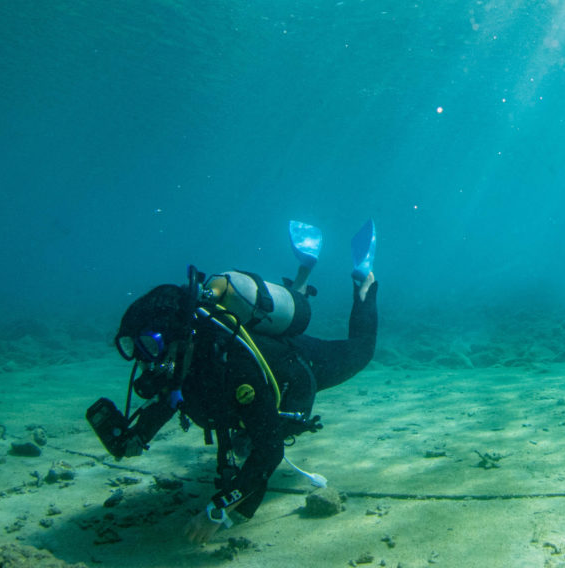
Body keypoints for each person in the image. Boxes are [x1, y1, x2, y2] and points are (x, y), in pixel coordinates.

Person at [86, 220, 377, 544]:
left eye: (151, 345)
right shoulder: (182, 360)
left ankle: (363, 281)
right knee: (243, 435)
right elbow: (171, 399)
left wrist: (218, 509)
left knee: (361, 351)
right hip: (264, 349)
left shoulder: (230, 369)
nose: (145, 357)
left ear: (173, 338)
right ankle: (303, 276)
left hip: (298, 367)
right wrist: (137, 436)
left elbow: (270, 450)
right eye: (136, 348)